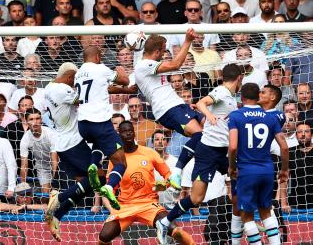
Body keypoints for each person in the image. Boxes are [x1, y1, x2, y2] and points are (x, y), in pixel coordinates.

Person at [156, 63, 242, 244]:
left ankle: (242, 220)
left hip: (222, 152)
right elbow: (202, 102)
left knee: (241, 175)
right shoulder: (221, 91)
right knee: (196, 198)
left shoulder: (232, 98)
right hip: (209, 152)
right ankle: (165, 221)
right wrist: (208, 115)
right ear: (239, 78)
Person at [96, 121, 195, 245]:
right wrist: (112, 209)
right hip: (125, 206)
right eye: (124, 132)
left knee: (175, 230)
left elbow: (169, 176)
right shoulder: (115, 159)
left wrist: (165, 185)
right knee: (103, 237)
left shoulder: (149, 153)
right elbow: (110, 189)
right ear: (119, 135)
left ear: (134, 133)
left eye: (130, 131)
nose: (128, 134)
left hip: (149, 204)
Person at [134, 28, 202, 190]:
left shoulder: (147, 64)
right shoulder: (144, 65)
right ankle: (176, 171)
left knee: (208, 129)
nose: (164, 54)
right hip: (168, 109)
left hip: (177, 105)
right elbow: (176, 64)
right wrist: (187, 41)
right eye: (163, 51)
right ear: (157, 51)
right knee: (199, 134)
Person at [44, 63, 101, 241]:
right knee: (100, 177)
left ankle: (57, 217)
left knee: (85, 187)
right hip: (73, 143)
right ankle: (59, 196)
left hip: (62, 144)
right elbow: (86, 97)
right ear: (69, 77)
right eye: (74, 80)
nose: (74, 84)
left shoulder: (48, 88)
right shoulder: (63, 90)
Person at [228, 83, 289, 245]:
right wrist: (284, 169)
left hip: (246, 171)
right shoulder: (270, 117)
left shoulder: (235, 115)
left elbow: (233, 146)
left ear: (241, 97)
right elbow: (284, 146)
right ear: (257, 97)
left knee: (246, 216)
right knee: (266, 212)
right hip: (267, 170)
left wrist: (232, 166)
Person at [75, 46, 129, 211]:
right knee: (121, 162)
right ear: (98, 57)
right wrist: (120, 68)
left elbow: (102, 88)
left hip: (83, 124)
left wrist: (124, 90)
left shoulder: (78, 73)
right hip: (100, 122)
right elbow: (124, 79)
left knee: (99, 143)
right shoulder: (101, 68)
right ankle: (110, 186)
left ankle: (93, 164)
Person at [20, 108, 58, 193]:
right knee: (45, 196)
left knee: (58, 194)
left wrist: (55, 182)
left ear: (41, 120)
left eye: (37, 118)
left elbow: (55, 160)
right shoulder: (25, 139)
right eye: (31, 119)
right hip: (42, 167)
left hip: (59, 165)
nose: (35, 122)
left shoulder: (50, 134)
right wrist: (22, 186)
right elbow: (24, 165)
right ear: (26, 122)